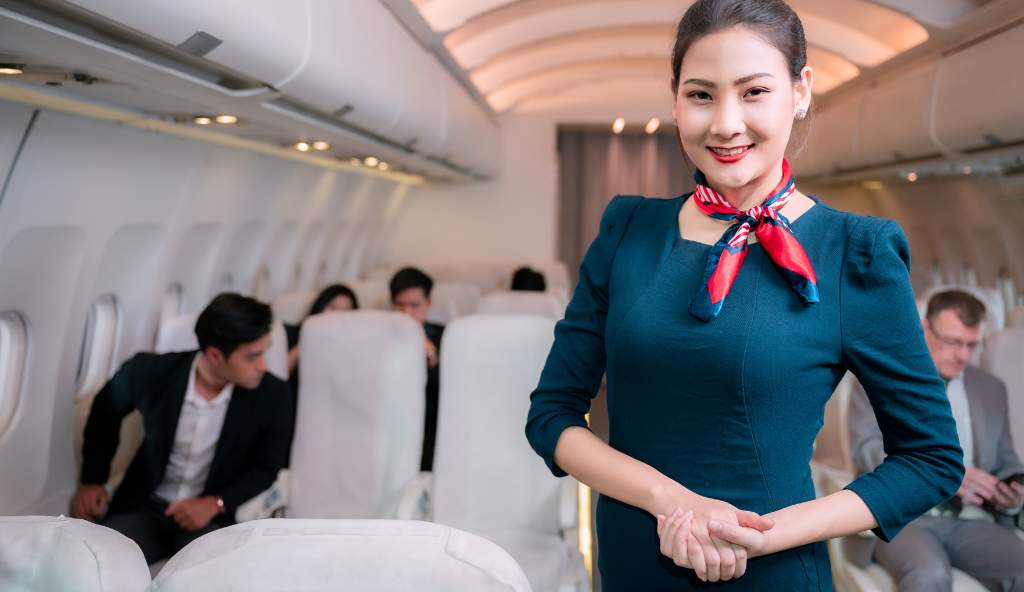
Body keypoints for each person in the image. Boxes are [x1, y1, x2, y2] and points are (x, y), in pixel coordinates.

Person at [524, 1, 964, 589]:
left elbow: (930, 458)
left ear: (800, 91)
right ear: (675, 97)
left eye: (754, 91)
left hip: (771, 568)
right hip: (631, 564)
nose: (725, 124)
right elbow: (552, 415)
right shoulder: (627, 230)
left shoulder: (855, 251)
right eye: (701, 95)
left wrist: (756, 534)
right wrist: (672, 502)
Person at [70, 293, 294, 565]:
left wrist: (216, 503)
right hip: (144, 506)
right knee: (92, 560)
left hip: (209, 517)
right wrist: (92, 480)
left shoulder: (274, 395)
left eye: (264, 353)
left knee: (212, 574)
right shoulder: (150, 372)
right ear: (214, 355)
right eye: (252, 357)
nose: (263, 366)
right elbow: (105, 411)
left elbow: (266, 466)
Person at [846, 290, 1024, 591]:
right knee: (929, 576)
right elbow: (867, 451)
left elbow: (1006, 460)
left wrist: (1013, 491)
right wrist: (945, 476)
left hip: (972, 519)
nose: (963, 355)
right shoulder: (882, 379)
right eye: (953, 342)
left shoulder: (991, 388)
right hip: (902, 517)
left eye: (971, 344)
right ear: (925, 329)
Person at [389, 267, 444, 471]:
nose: (407, 313)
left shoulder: (444, 337)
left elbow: (449, 396)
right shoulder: (380, 335)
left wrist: (432, 360)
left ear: (428, 304)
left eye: (414, 305)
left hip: (430, 426)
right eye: (400, 305)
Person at [284, 284, 359, 395]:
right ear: (320, 306)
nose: (338, 315)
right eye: (333, 308)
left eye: (346, 312)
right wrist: (305, 343)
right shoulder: (290, 334)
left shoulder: (352, 348)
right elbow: (278, 376)